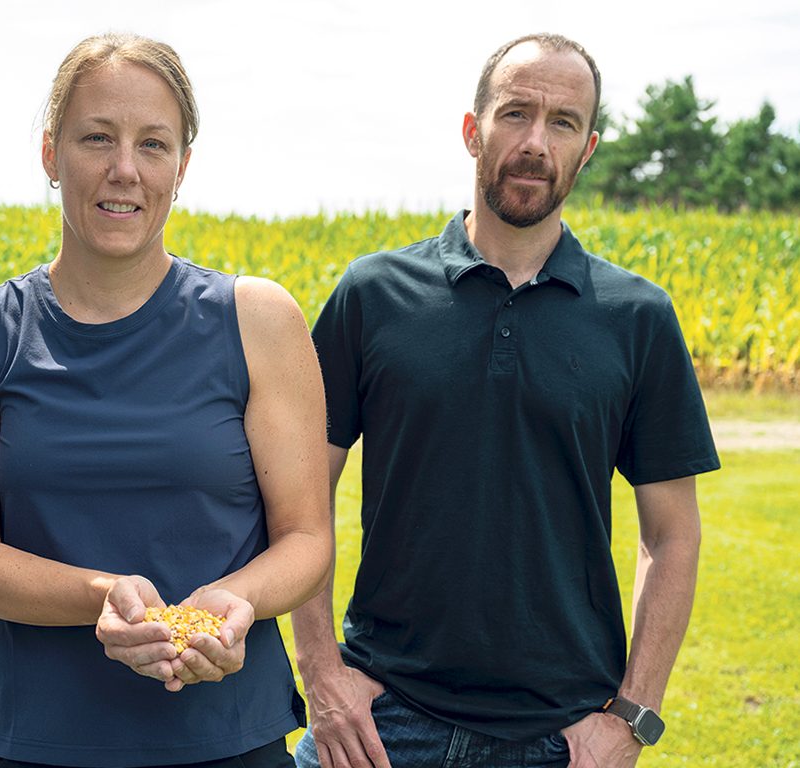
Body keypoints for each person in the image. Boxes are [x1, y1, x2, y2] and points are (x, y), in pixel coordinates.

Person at [292, 33, 720, 768]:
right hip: (382, 723)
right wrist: (323, 674)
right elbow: (300, 497)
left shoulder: (638, 316)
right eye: (516, 113)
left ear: (587, 149)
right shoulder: (372, 296)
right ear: (472, 130)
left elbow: (672, 536)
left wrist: (633, 716)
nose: (535, 142)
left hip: (561, 739)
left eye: (562, 123)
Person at [0, 32, 331, 768]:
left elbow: (306, 538)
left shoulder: (260, 320)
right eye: (96, 138)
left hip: (230, 741)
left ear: (182, 166)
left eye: (153, 144)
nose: (124, 170)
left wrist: (231, 603)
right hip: (41, 746)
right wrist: (101, 595)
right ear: (50, 154)